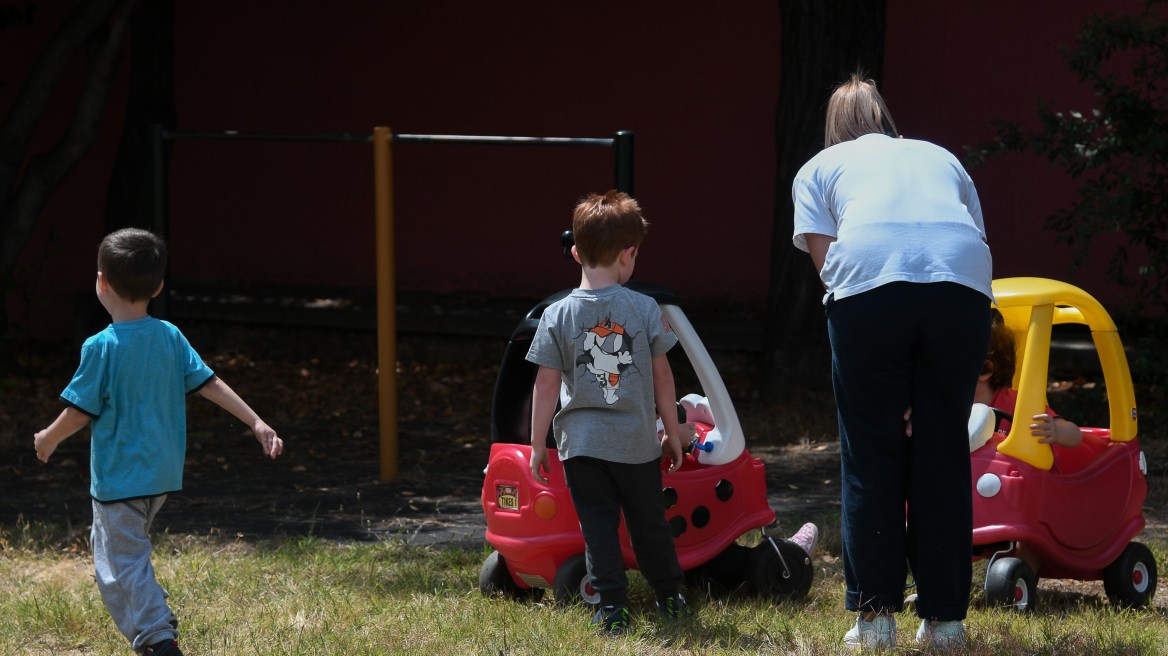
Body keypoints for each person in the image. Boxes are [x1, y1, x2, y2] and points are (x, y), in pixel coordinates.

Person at [792, 74, 993, 651]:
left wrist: (888, 389)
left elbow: (833, 271)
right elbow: (967, 245)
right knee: (943, 447)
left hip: (871, 294)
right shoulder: (941, 157)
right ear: (884, 119)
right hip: (961, 291)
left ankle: (876, 621)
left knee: (871, 453)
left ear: (835, 129)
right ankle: (946, 623)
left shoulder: (819, 168)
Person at [33, 228, 283, 656]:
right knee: (117, 554)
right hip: (161, 475)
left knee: (120, 567)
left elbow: (79, 411)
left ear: (101, 282)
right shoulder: (169, 335)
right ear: (159, 286)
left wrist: (47, 439)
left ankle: (156, 639)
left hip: (119, 480)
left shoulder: (102, 346)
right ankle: (155, 616)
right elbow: (210, 383)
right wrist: (255, 421)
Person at [526, 190, 689, 633]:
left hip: (580, 447)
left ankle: (611, 609)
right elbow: (663, 379)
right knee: (648, 525)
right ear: (629, 253)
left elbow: (544, 385)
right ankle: (670, 598)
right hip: (636, 444)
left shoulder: (555, 315)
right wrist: (672, 432)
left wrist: (537, 445)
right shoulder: (643, 308)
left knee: (598, 528)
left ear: (576, 252)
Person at [976, 309, 1083, 449]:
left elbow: (1075, 435)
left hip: (1019, 470)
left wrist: (1056, 431)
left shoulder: (1017, 404)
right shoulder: (950, 406)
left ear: (986, 369)